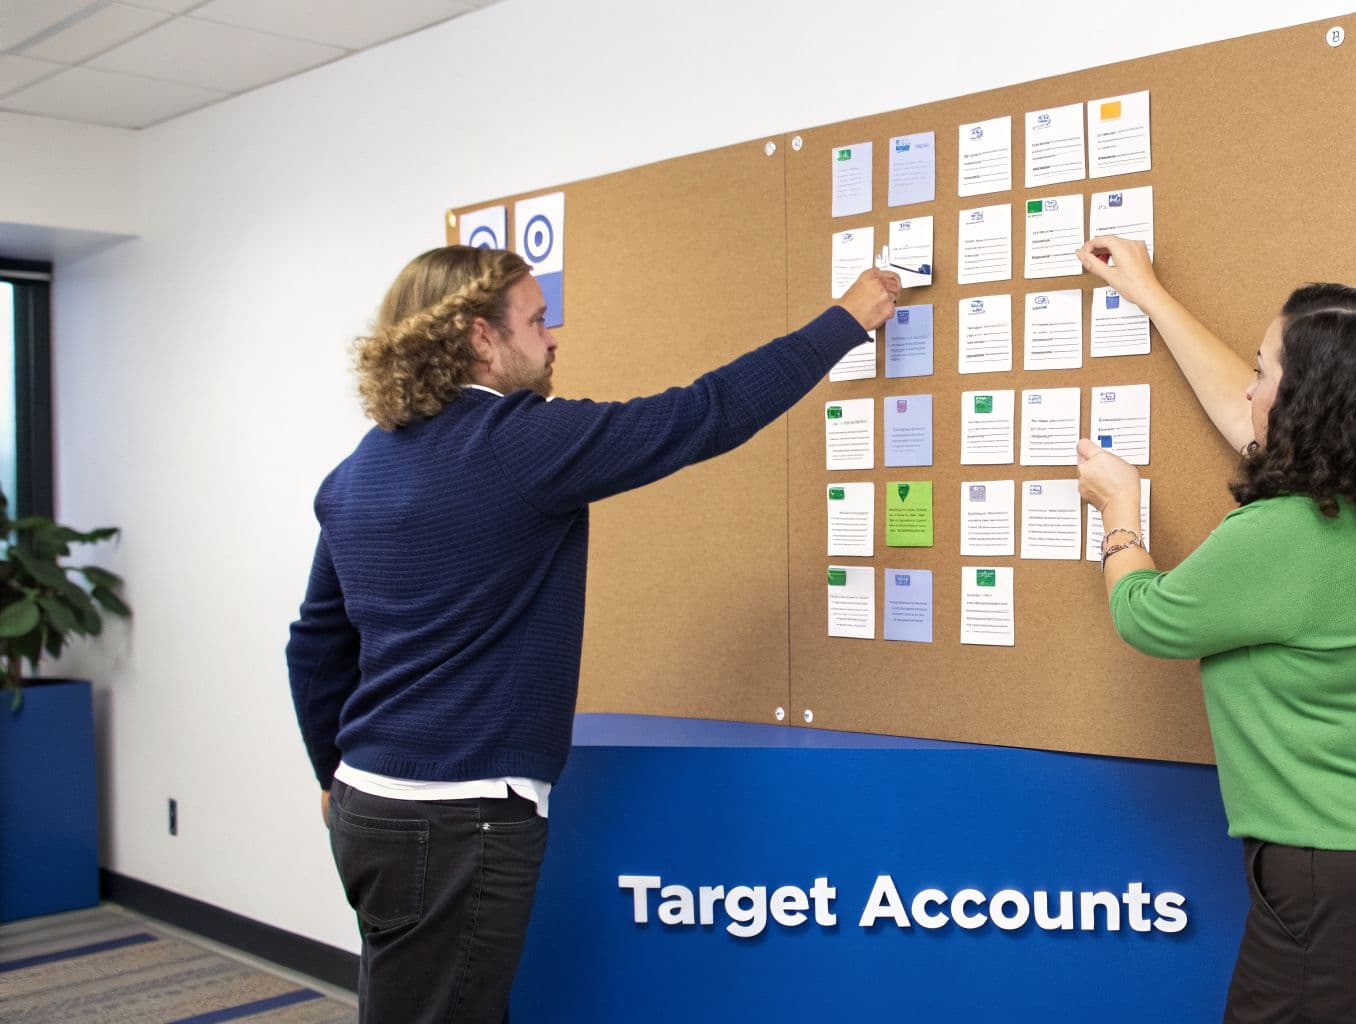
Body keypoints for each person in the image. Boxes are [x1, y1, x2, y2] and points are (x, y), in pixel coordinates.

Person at [286, 245, 899, 1022]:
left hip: (369, 803)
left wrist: (329, 775)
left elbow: (315, 645)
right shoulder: (518, 442)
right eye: (537, 321)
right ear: (480, 336)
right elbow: (704, 414)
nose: (551, 340)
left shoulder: (361, 467)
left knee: (415, 1002)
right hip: (461, 810)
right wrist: (844, 322)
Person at [1073, 235, 1356, 1024]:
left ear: (1311, 408)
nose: (1248, 391)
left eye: (1263, 373)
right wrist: (1149, 295)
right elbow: (1246, 420)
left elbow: (1146, 616)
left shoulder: (1283, 537)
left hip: (1345, 896)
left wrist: (1120, 515)